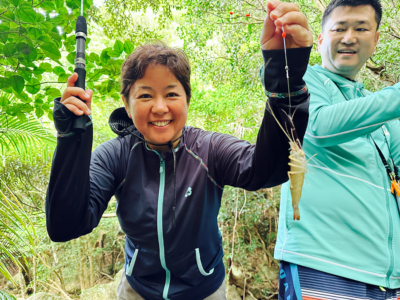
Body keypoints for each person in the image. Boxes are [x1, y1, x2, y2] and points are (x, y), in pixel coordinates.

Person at [46, 1, 313, 299]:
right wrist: (72, 138)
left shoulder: (210, 149)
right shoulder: (114, 156)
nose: (160, 107)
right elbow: (66, 225)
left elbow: (267, 170)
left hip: (205, 291)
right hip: (138, 290)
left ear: (187, 99)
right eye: (145, 95)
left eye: (171, 94)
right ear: (126, 103)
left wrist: (283, 78)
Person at [265, 0, 400, 299]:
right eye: (339, 28)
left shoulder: (381, 114)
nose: (349, 37)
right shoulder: (303, 83)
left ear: (376, 40)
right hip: (323, 262)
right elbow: (321, 127)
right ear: (323, 37)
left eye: (361, 28)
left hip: (387, 274)